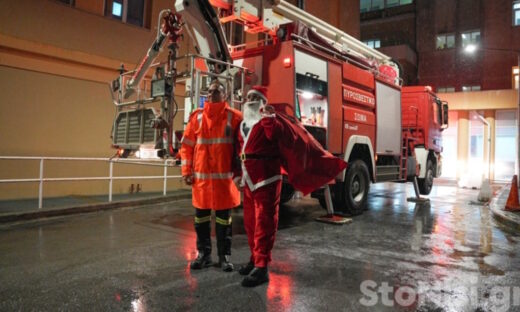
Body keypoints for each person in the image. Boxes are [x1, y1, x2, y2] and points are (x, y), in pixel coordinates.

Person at [237, 86, 347, 287]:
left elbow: (280, 136)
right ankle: (254, 259)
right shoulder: (243, 124)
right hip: (248, 180)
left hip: (266, 179)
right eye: (248, 97)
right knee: (250, 223)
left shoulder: (270, 121)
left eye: (255, 97)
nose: (250, 99)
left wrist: (270, 119)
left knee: (264, 224)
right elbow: (239, 149)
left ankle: (262, 267)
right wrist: (237, 174)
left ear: (263, 102)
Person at [180, 80, 243, 272]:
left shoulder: (235, 117)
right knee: (201, 221)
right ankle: (204, 255)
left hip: (225, 183)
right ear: (206, 95)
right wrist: (186, 172)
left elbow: (242, 148)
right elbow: (186, 147)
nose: (213, 94)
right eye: (211, 91)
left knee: (224, 221)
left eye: (217, 91)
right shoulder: (196, 118)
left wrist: (241, 174)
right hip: (202, 182)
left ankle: (224, 257)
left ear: (225, 95)